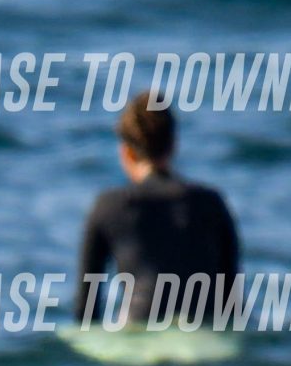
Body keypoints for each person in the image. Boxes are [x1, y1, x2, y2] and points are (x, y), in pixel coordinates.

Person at [75, 91, 240, 328]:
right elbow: (232, 304)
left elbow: (85, 313)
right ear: (173, 146)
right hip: (204, 335)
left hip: (139, 336)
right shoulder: (212, 204)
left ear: (126, 152)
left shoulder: (108, 206)